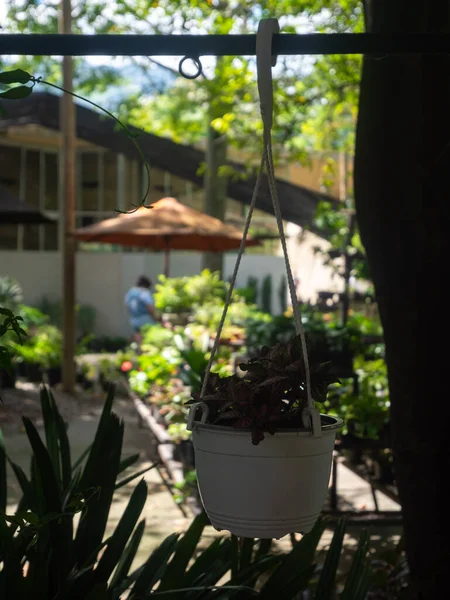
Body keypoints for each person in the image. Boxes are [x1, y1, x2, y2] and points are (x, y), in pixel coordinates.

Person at [125, 275, 158, 343]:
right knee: (149, 335)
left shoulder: (130, 292)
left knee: (138, 335)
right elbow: (149, 306)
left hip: (134, 319)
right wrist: (155, 317)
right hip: (145, 318)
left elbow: (128, 307)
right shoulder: (144, 292)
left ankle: (137, 348)